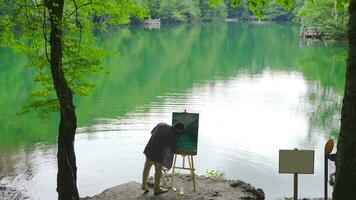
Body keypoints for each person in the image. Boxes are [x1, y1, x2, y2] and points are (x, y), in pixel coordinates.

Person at [141, 122, 185, 195]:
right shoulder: (172, 136)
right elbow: (175, 148)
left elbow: (152, 132)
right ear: (178, 130)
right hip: (157, 154)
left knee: (147, 167)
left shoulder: (162, 124)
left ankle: (144, 185)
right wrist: (183, 153)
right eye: (180, 132)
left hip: (149, 149)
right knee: (158, 171)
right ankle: (157, 189)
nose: (180, 133)